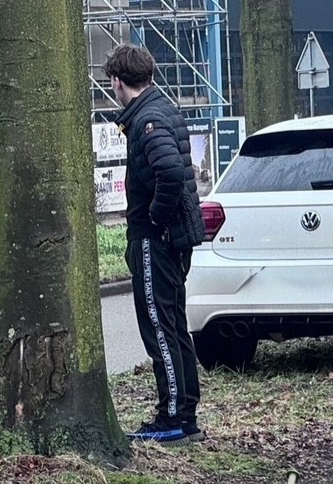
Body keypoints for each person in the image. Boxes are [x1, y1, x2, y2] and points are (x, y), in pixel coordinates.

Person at [104, 44, 207, 446]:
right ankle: (186, 413)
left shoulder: (147, 120)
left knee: (159, 328)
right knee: (174, 325)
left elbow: (167, 170)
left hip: (156, 239)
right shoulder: (161, 108)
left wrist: (156, 220)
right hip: (173, 237)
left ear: (117, 81)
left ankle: (173, 416)